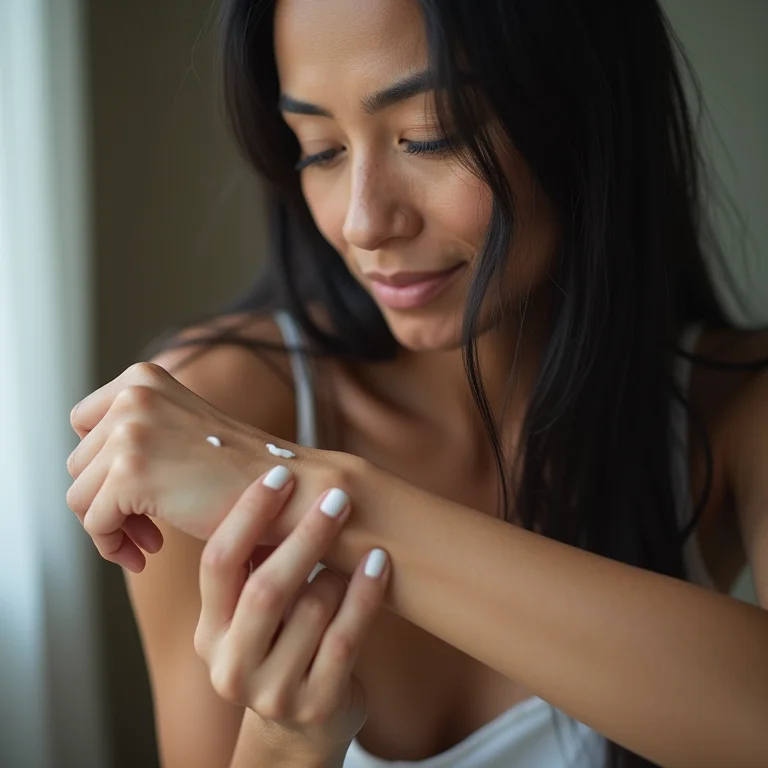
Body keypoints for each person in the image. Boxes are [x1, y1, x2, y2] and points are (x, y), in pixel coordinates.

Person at [66, 1, 768, 766]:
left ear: (586, 107)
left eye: (430, 134)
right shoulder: (223, 408)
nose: (366, 222)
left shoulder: (733, 410)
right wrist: (287, 739)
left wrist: (317, 496)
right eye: (321, 149)